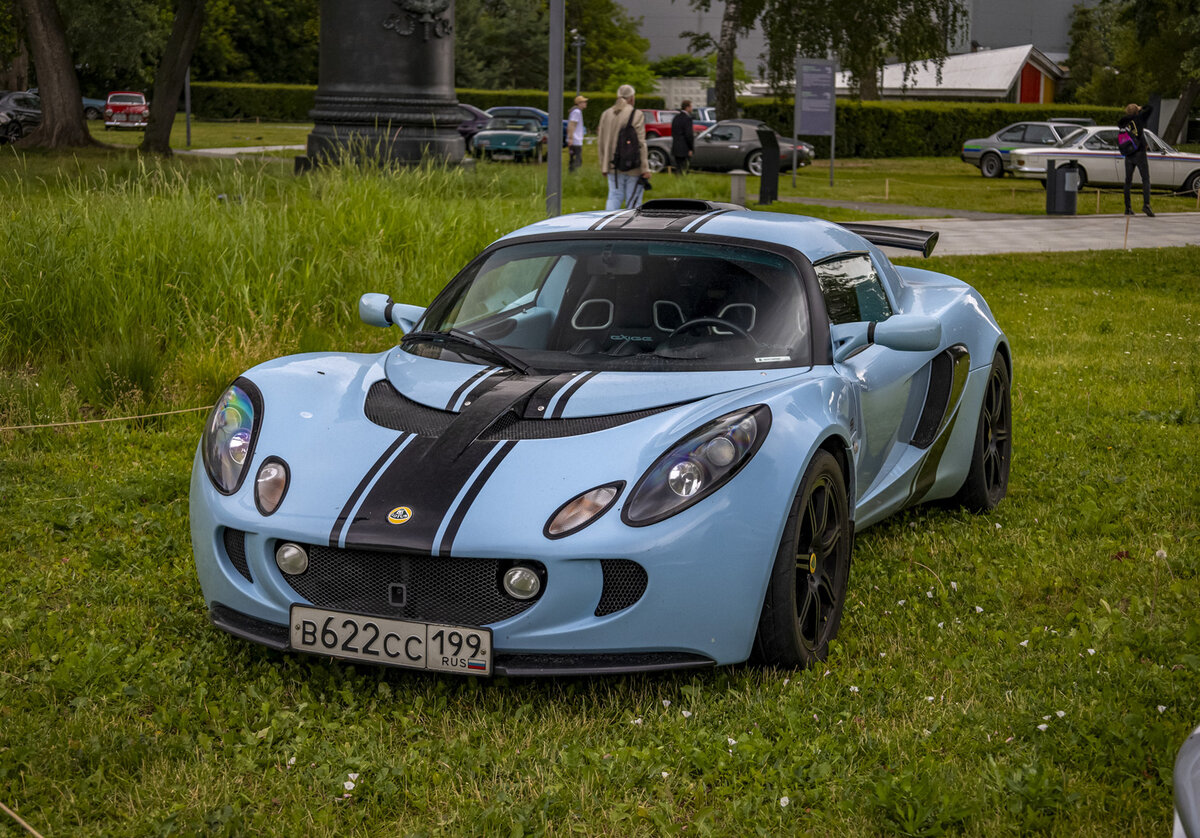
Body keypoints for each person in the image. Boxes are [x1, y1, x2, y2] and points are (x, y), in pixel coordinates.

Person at [596, 84, 650, 210]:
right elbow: (641, 142)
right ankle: (631, 227)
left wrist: (603, 165)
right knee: (633, 200)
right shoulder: (636, 114)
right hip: (633, 165)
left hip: (612, 165)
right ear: (632, 97)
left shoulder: (606, 114)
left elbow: (601, 141)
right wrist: (645, 168)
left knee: (614, 197)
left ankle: (607, 226)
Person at [1119, 102, 1155, 217]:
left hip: (1128, 154)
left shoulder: (1122, 122)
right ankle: (1146, 205)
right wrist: (1141, 107)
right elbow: (1150, 107)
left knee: (1128, 181)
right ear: (1137, 111)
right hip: (1140, 153)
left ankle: (1127, 207)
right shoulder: (1139, 119)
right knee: (1145, 179)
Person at [670, 100, 695, 174]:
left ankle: (677, 181)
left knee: (678, 167)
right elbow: (689, 135)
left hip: (676, 146)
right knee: (685, 168)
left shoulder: (676, 118)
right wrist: (691, 148)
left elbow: (673, 132)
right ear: (687, 107)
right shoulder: (687, 119)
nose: (692, 109)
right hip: (685, 147)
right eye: (691, 107)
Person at [567, 95, 587, 173]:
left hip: (576, 139)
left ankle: (573, 172)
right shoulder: (576, 112)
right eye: (584, 102)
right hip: (575, 139)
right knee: (576, 158)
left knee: (575, 157)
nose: (585, 103)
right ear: (579, 103)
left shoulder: (577, 111)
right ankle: (573, 172)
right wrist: (571, 138)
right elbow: (572, 125)